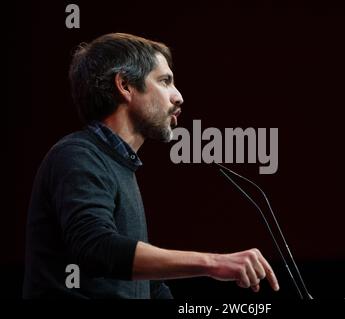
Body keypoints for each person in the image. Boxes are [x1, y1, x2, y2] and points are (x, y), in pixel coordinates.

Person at [23, 33, 279, 299]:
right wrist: (214, 263)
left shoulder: (119, 166)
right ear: (125, 85)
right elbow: (96, 248)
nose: (178, 97)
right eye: (165, 81)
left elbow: (147, 286)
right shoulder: (77, 155)